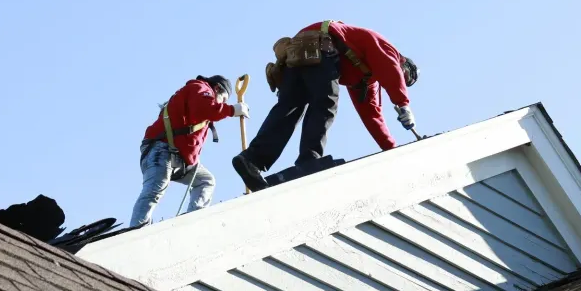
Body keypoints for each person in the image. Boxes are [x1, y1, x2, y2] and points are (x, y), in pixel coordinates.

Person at [233, 21, 418, 192]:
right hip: (320, 48)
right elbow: (391, 69)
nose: (403, 80)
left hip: (297, 54)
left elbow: (372, 116)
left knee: (289, 108)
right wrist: (403, 104)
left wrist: (392, 151)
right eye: (405, 76)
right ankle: (308, 160)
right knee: (325, 102)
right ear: (403, 62)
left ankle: (251, 160)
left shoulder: (365, 77)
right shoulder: (387, 51)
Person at [130, 75, 249, 226]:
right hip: (162, 151)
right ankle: (136, 229)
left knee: (206, 181)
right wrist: (232, 110)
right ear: (217, 88)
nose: (222, 103)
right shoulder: (200, 88)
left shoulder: (199, 96)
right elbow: (205, 109)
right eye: (223, 99)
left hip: (179, 158)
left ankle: (192, 220)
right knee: (154, 191)